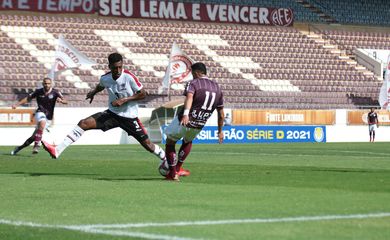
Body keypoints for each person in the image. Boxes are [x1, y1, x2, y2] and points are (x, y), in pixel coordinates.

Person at [41, 53, 166, 163]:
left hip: (129, 118)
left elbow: (143, 94)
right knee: (83, 123)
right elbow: (101, 85)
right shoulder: (105, 78)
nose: (118, 70)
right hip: (112, 114)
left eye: (120, 67)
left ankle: (168, 161)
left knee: (149, 145)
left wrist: (124, 100)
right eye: (114, 67)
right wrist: (93, 92)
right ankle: (57, 150)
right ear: (109, 67)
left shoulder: (129, 77)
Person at [164, 62, 225, 181]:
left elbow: (190, 97)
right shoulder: (217, 88)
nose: (192, 76)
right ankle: (178, 168)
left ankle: (173, 173)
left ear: (197, 72)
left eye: (192, 73)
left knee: (170, 141)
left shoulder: (194, 83)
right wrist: (220, 131)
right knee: (188, 141)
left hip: (186, 119)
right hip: (200, 123)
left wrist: (186, 114)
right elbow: (221, 114)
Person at [11, 77, 67, 155]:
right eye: (45, 83)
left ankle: (19, 148)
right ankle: (36, 145)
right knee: (42, 122)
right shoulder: (38, 91)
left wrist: (61, 101)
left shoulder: (55, 92)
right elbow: (28, 98)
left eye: (48, 83)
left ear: (51, 84)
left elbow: (65, 101)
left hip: (49, 117)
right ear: (42, 84)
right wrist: (17, 104)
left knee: (33, 137)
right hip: (40, 112)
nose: (47, 85)